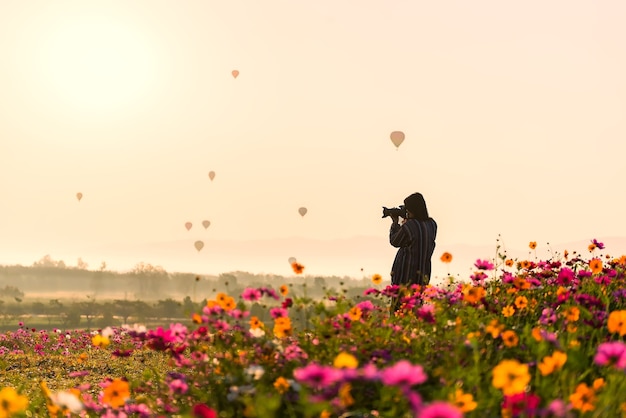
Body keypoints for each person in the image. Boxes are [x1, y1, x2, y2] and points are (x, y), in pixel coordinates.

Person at [388, 192, 437, 311]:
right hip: (421, 278)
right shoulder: (432, 224)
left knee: (398, 313)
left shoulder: (410, 225)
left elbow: (395, 241)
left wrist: (395, 223)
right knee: (415, 313)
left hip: (405, 277)